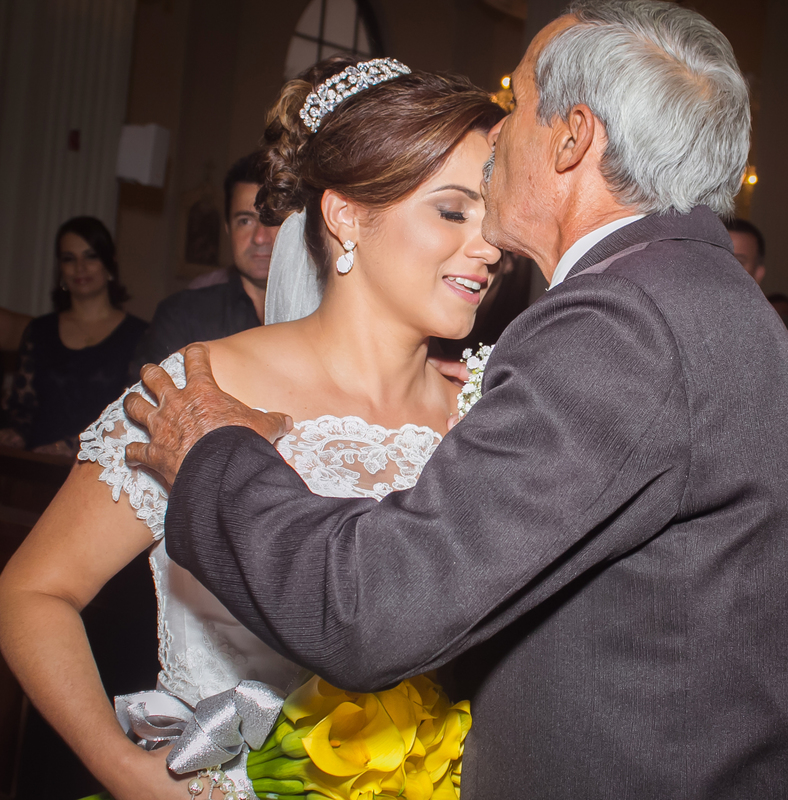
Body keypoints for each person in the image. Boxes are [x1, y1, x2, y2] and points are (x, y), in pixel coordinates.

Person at [120, 2, 788, 797]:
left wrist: (214, 452)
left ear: (571, 136)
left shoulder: (620, 325)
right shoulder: (704, 299)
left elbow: (373, 609)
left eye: (516, 100)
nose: (497, 133)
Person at [0, 59, 505, 799]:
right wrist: (122, 769)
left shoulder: (486, 414)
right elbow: (31, 594)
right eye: (455, 211)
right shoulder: (204, 388)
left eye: (494, 217)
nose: (488, 246)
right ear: (346, 216)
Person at [0, 217, 146, 455]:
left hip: (100, 476)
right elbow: (22, 410)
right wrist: (14, 433)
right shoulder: (39, 331)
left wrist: (70, 448)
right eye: (69, 259)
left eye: (90, 256)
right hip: (36, 469)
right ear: (60, 269)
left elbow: (133, 421)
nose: (80, 267)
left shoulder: (141, 335)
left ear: (109, 263)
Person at [130, 153, 279, 374]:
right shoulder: (182, 316)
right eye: (245, 221)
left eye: (272, 220)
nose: (259, 237)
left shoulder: (319, 317)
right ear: (228, 229)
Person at [725, 217, 788, 366]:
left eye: (737, 262)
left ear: (758, 274)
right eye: (716, 259)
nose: (723, 270)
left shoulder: (780, 341)